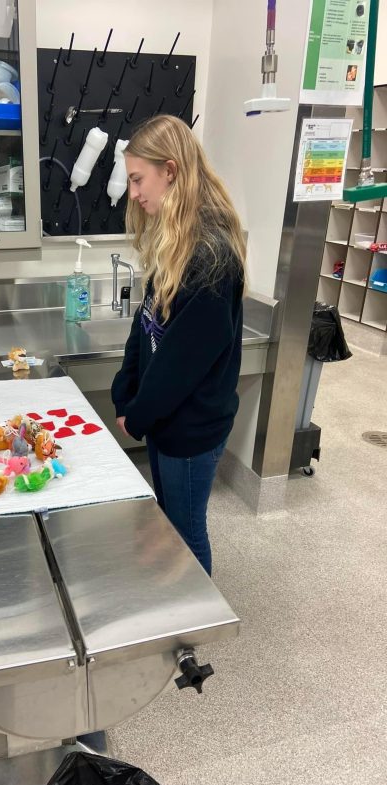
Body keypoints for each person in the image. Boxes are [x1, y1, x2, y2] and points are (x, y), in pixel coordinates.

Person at [111, 115, 246, 576]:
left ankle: (192, 641)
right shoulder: (176, 241)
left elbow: (180, 366)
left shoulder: (211, 255)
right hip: (166, 423)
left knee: (186, 534)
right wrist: (124, 392)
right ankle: (175, 615)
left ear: (170, 171)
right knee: (168, 527)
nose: (134, 193)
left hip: (190, 430)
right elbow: (144, 326)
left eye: (137, 179)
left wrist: (140, 412)